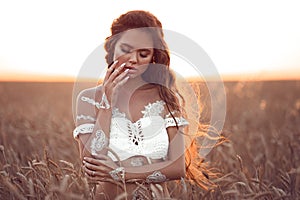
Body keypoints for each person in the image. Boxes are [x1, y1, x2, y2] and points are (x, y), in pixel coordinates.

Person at [73, 10, 213, 199]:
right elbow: (91, 164)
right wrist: (106, 105)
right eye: (126, 49)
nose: (133, 59)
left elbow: (177, 168)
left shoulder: (168, 98)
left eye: (143, 54)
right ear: (113, 47)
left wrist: (120, 174)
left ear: (153, 57)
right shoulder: (88, 98)